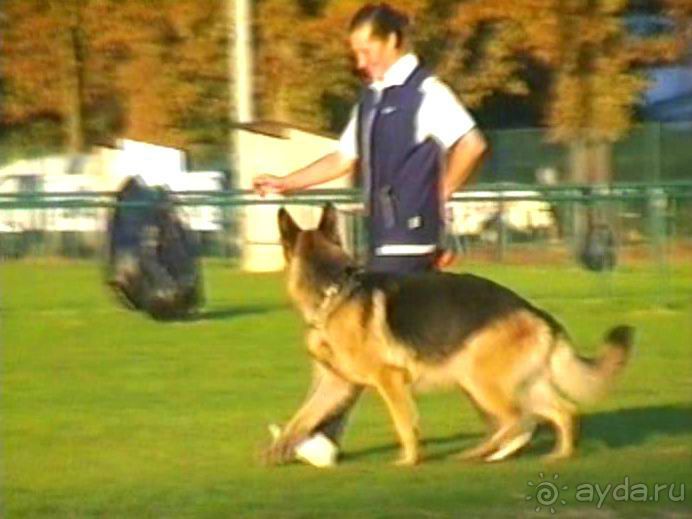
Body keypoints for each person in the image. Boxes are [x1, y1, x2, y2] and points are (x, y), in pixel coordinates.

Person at [254, 2, 487, 464]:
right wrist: (287, 182)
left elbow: (473, 143)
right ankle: (504, 413)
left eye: (367, 50)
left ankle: (322, 436)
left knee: (348, 338)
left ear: (394, 41)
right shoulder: (372, 98)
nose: (361, 62)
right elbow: (343, 159)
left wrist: (441, 192)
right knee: (408, 341)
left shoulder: (428, 93)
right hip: (382, 236)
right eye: (356, 53)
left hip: (410, 238)